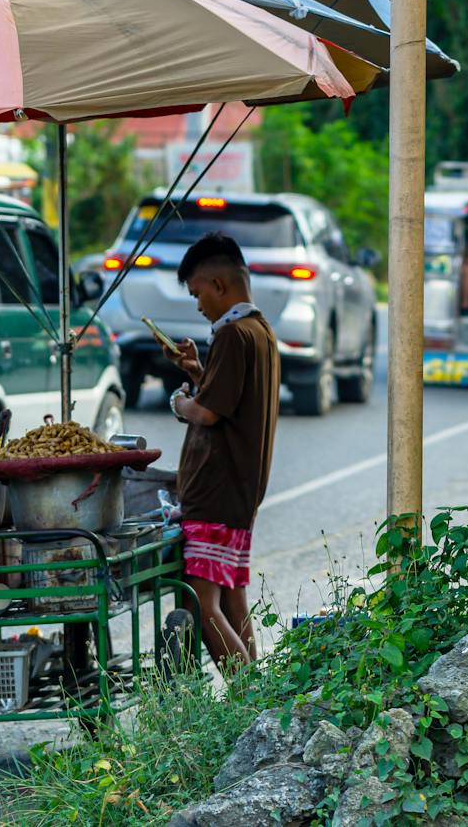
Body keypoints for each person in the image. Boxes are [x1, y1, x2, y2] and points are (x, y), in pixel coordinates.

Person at [167, 232, 279, 669]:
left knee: (202, 601)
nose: (198, 305)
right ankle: (259, 698)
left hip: (215, 494)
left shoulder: (233, 335)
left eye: (197, 293)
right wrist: (197, 370)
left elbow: (209, 413)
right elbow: (229, 398)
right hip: (240, 491)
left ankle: (246, 699)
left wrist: (178, 403)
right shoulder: (260, 331)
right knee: (232, 596)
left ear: (219, 285)